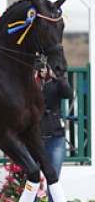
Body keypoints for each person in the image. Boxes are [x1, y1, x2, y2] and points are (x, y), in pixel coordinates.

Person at [35, 62, 73, 202]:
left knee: (54, 178)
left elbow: (68, 93)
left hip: (55, 136)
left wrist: (58, 78)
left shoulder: (57, 82)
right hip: (34, 138)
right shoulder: (32, 81)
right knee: (32, 178)